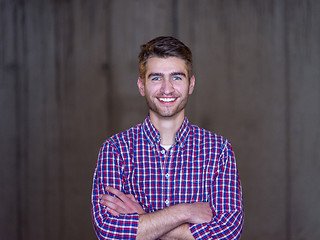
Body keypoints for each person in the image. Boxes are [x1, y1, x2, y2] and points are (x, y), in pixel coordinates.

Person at [91, 36, 244, 239]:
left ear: (191, 84)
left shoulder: (218, 150)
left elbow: (227, 233)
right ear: (141, 85)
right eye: (156, 78)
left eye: (177, 77)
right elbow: (109, 232)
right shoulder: (115, 149)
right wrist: (185, 212)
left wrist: (143, 219)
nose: (166, 88)